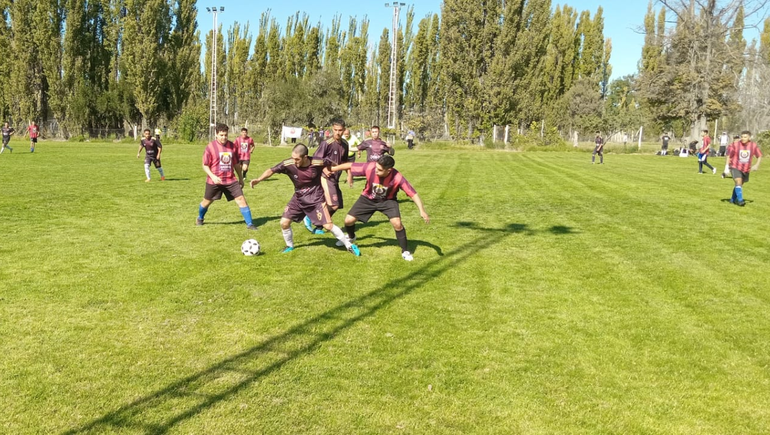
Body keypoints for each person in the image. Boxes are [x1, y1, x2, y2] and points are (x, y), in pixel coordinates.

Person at [249, 144, 361, 255]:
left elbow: (331, 163)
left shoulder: (317, 162)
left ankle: (349, 245)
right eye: (293, 158)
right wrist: (259, 179)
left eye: (297, 159)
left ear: (305, 157)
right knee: (284, 223)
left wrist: (330, 170)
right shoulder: (289, 163)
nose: (294, 161)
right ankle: (289, 246)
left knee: (328, 225)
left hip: (316, 199)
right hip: (298, 198)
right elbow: (271, 170)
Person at [329, 155, 429, 261]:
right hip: (367, 198)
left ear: (389, 170)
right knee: (348, 221)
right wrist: (333, 169)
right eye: (376, 167)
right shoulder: (370, 167)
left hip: (388, 201)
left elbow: (413, 194)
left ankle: (405, 251)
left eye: (380, 170)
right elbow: (350, 165)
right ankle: (351, 237)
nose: (376, 170)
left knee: (397, 224)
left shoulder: (397, 177)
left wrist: (422, 210)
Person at [196, 123, 257, 229]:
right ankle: (200, 217)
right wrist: (213, 176)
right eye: (221, 135)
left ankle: (250, 224)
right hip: (214, 181)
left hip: (230, 180)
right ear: (216, 135)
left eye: (225, 135)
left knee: (241, 199)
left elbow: (236, 164)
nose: (224, 137)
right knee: (207, 202)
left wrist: (241, 179)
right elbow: (205, 165)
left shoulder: (232, 146)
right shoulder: (210, 147)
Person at [304, 119, 351, 233]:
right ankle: (312, 218)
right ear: (332, 129)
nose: (337, 133)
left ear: (344, 130)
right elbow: (315, 160)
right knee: (334, 204)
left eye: (340, 130)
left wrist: (349, 175)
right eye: (335, 130)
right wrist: (324, 168)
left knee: (338, 204)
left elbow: (345, 162)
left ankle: (318, 225)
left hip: (335, 178)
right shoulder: (326, 143)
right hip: (325, 177)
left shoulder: (345, 144)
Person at [723, 130, 762, 207]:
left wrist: (757, 165)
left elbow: (759, 155)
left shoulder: (753, 146)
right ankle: (740, 201)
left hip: (746, 169)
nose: (743, 138)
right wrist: (726, 167)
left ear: (749, 138)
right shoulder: (735, 145)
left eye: (745, 137)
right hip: (735, 167)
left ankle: (732, 199)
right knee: (738, 181)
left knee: (739, 185)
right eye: (742, 137)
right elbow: (728, 155)